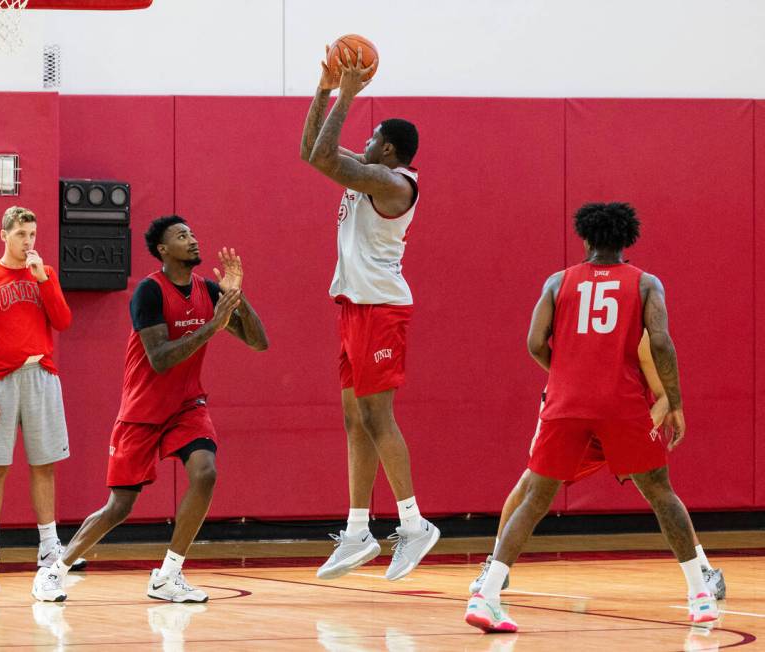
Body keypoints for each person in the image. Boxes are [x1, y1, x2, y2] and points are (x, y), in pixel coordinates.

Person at [465, 202, 719, 633]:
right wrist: (674, 400)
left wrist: (567, 372)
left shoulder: (557, 281)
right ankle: (700, 594)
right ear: (627, 240)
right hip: (621, 403)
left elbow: (533, 342)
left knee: (534, 498)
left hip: (566, 402)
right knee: (660, 493)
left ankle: (486, 595)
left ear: (585, 238)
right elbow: (661, 342)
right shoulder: (645, 284)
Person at [32, 215, 268, 602]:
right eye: (181, 236)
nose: (192, 240)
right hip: (142, 411)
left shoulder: (207, 290)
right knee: (119, 507)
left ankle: (168, 575)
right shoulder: (149, 292)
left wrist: (236, 298)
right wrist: (212, 325)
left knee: (205, 473)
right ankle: (54, 571)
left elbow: (259, 343)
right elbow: (160, 358)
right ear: (163, 250)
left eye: (192, 233)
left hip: (187, 406)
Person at [300, 46, 439, 581]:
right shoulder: (366, 173)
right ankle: (358, 531)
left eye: (372, 135)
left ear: (389, 148)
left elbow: (329, 157)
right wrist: (323, 88)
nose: (365, 139)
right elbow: (314, 153)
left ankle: (414, 523)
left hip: (382, 307)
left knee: (378, 416)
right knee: (354, 418)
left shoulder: (396, 183)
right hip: (355, 306)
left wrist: (349, 93)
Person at [468, 333, 726, 600]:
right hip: (580, 427)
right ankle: (497, 568)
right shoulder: (577, 338)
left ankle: (704, 571)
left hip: (626, 421)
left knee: (659, 493)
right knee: (529, 485)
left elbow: (663, 397)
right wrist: (539, 430)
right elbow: (553, 387)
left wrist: (641, 434)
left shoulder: (639, 337)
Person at [0, 206, 85, 573]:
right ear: (3, 235)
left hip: (40, 375)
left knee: (44, 464)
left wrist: (43, 281)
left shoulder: (44, 274)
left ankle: (49, 546)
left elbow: (63, 320)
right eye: (20, 234)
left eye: (31, 234)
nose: (28, 241)